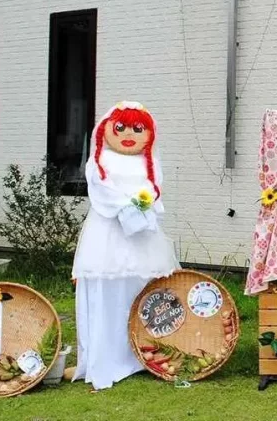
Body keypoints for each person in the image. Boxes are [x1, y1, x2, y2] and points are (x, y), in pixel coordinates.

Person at [70, 101, 179, 390]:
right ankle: (107, 356)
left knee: (142, 287)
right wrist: (127, 206)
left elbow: (154, 188)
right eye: (120, 128)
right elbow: (101, 191)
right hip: (107, 232)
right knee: (108, 287)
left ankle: (144, 351)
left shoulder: (149, 161)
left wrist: (143, 205)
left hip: (143, 235)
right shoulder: (100, 160)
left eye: (137, 129)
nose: (128, 134)